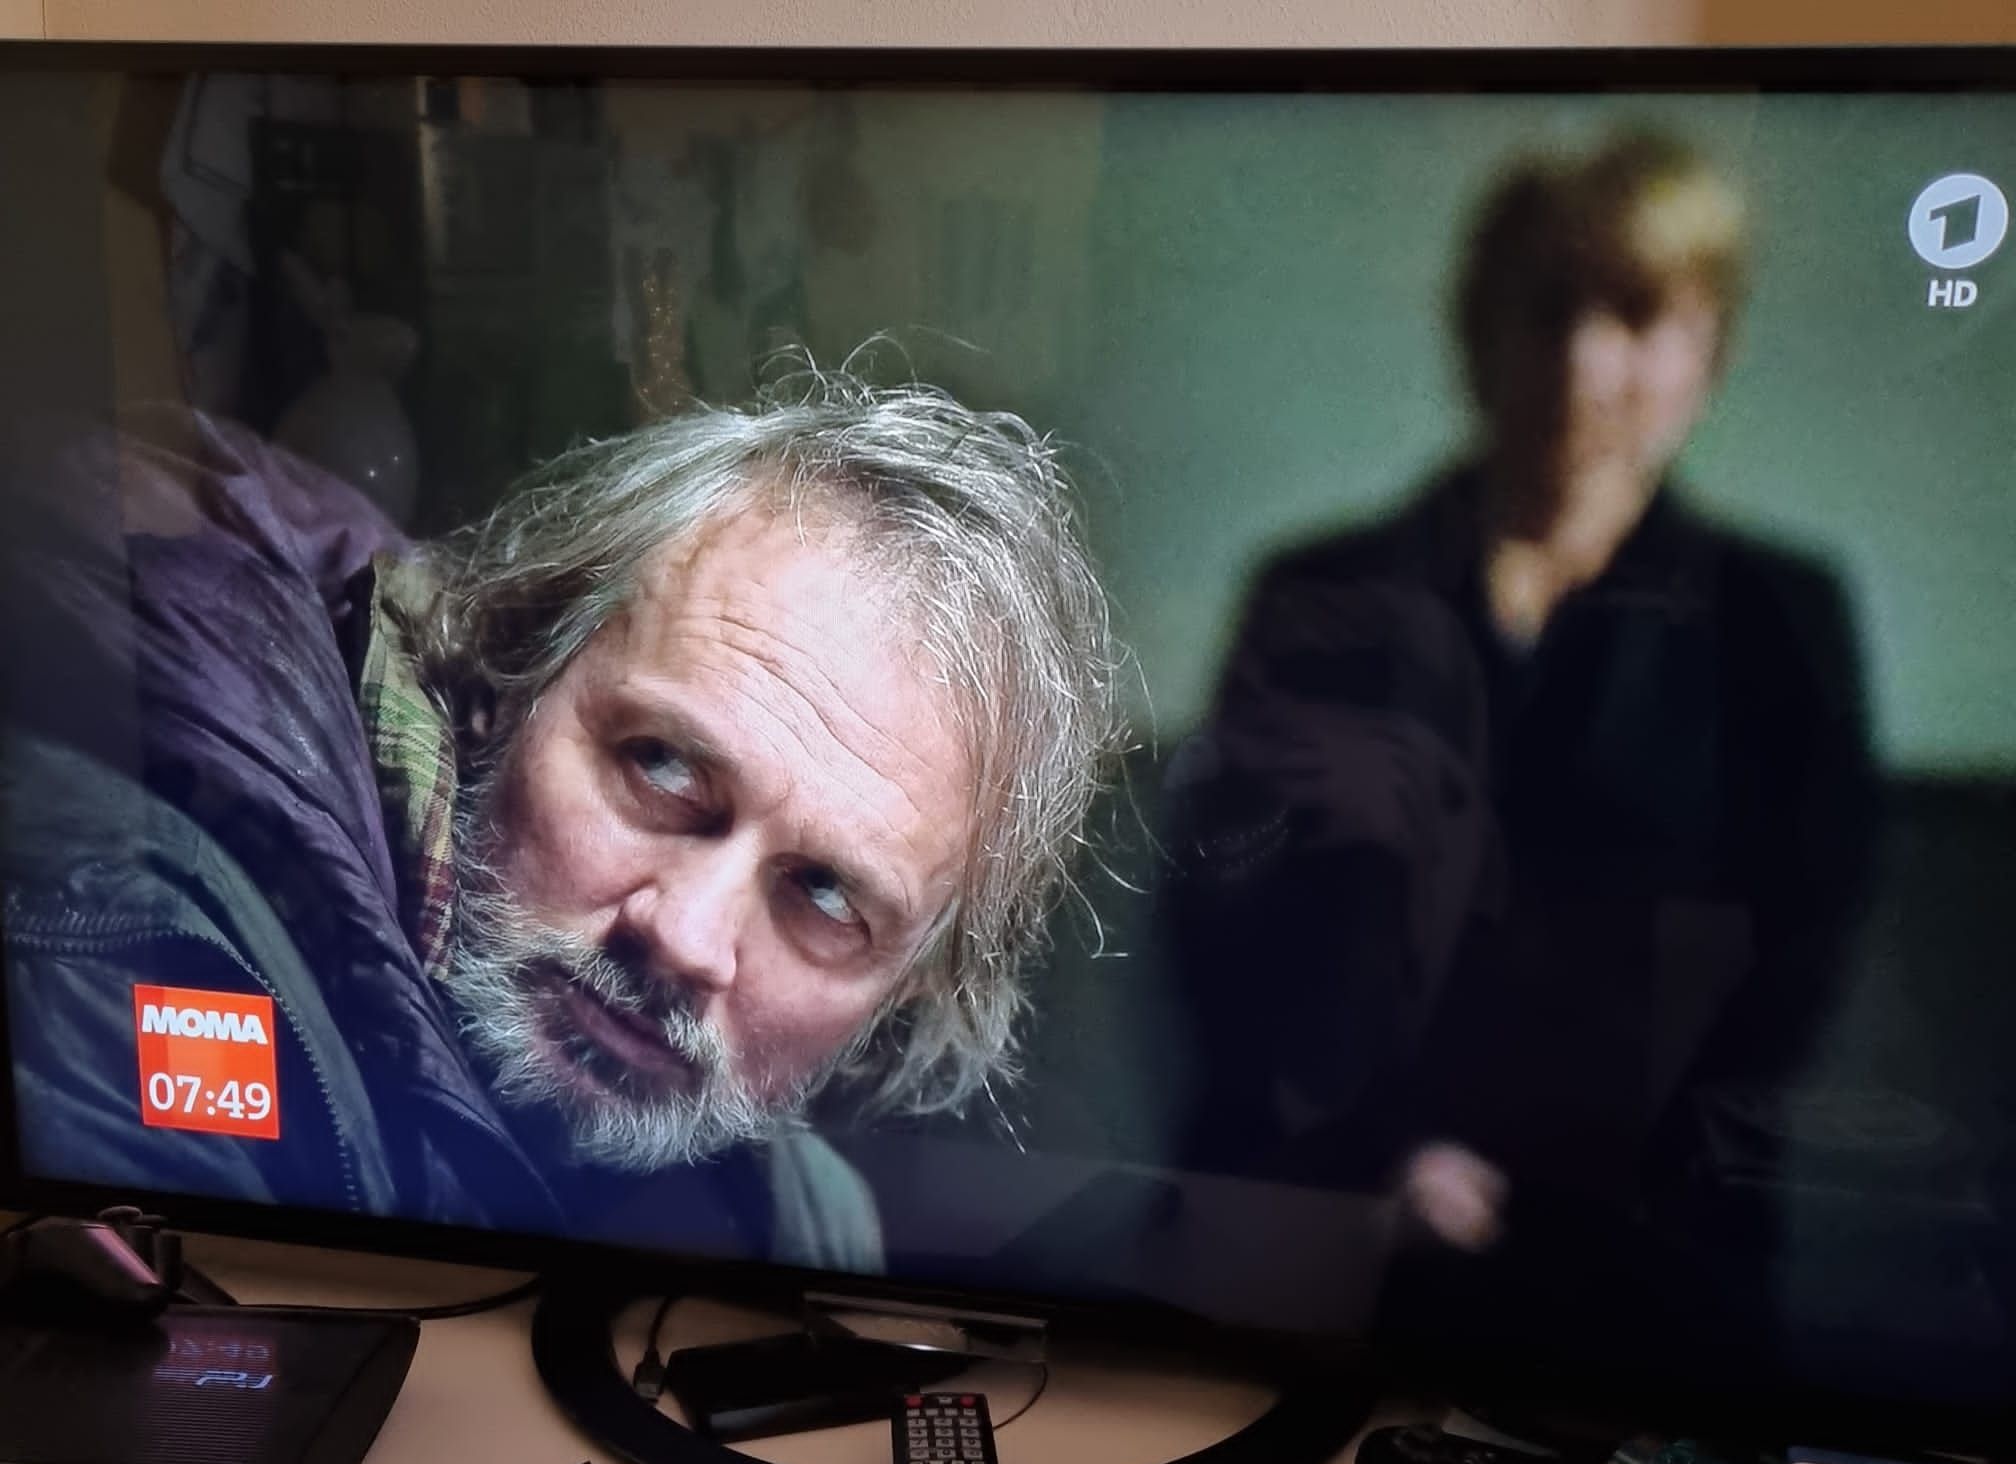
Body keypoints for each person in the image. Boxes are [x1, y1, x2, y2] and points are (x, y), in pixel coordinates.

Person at [0, 368, 1122, 1270]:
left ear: (915, 983)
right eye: (661, 768)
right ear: (513, 668)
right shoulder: (143, 946)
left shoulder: (806, 1218)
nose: (685, 938)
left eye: (826, 897)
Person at [1168, 132, 1875, 1255]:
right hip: (1319, 1240)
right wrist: (1378, 1154)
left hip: (1653, 1273)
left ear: (1710, 348)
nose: (1584, 362)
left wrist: (1573, 1188)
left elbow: (1794, 969)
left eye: (1635, 315)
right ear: (1478, 325)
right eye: (1547, 308)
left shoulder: (1781, 620)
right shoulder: (1313, 597)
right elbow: (1226, 921)